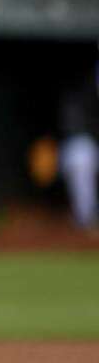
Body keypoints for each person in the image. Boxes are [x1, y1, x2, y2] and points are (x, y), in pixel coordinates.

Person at [59, 51, 98, 230]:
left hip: (83, 146)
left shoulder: (87, 102)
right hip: (76, 146)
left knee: (84, 186)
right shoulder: (73, 102)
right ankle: (84, 218)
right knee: (79, 185)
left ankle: (87, 218)